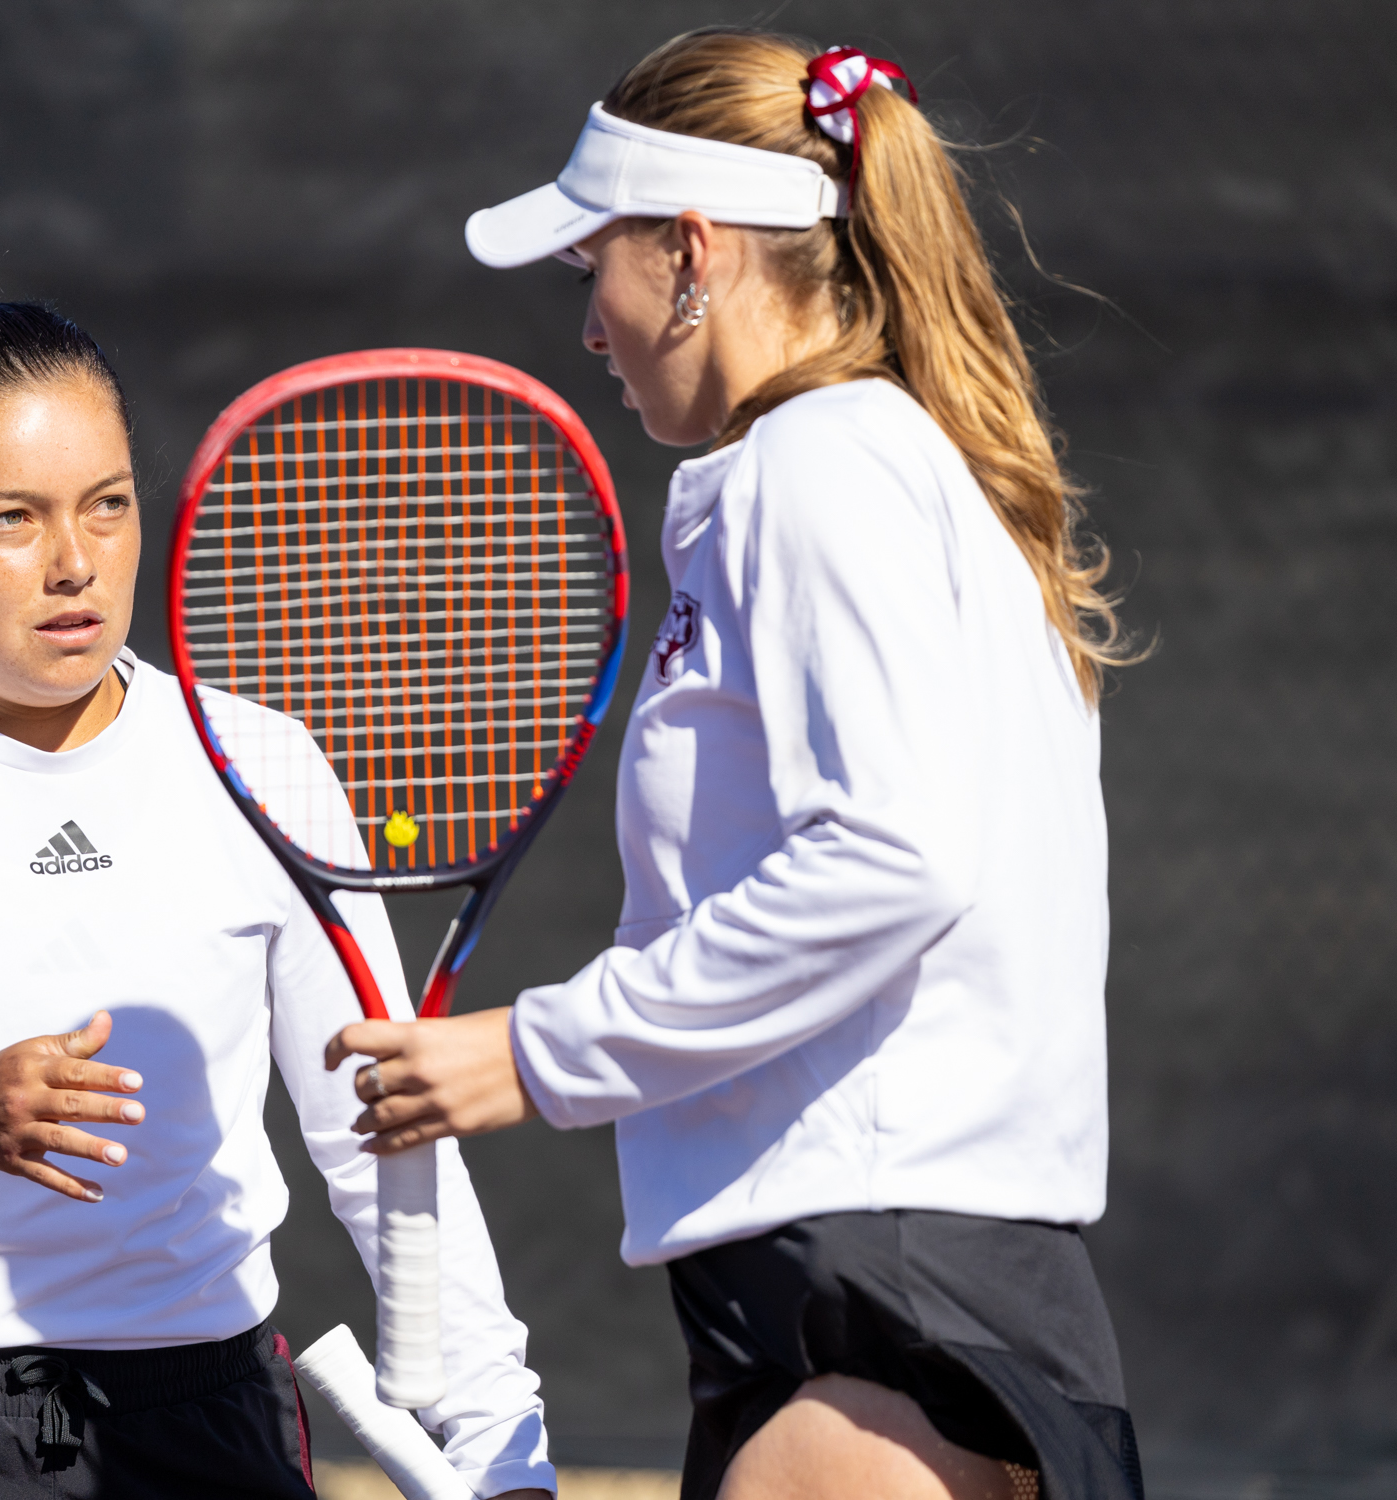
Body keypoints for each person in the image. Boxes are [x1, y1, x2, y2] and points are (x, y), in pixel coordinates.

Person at [328, 28, 1143, 1500]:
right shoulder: (888, 464)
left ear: (693, 254)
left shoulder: (819, 463)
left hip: (879, 1292)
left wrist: (530, 1052)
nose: (591, 329)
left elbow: (893, 857)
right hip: (895, 1291)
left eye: (598, 273)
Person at [0, 301, 554, 1499]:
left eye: (106, 502)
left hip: (205, 1420)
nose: (75, 563)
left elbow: (376, 1123)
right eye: (8, 519)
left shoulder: (259, 762)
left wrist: (499, 1437)